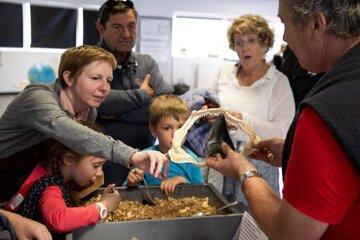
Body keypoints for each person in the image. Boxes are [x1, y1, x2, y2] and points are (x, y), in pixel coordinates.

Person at [206, 0, 360, 239]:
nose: (286, 36)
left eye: (284, 22)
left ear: (316, 24)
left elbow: (290, 234)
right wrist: (292, 152)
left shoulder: (325, 114)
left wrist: (245, 170)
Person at [0, 45, 168, 202]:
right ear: (69, 78)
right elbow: (67, 130)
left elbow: (119, 98)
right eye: (95, 78)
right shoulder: (38, 98)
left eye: (108, 80)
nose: (105, 88)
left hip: (30, 190)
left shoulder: (88, 111)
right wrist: (132, 155)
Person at [209, 14, 295, 205]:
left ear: (265, 43)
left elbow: (285, 131)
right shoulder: (224, 73)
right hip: (221, 159)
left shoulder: (278, 82)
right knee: (219, 217)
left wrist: (242, 121)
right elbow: (208, 105)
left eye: (251, 40)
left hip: (258, 162)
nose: (245, 47)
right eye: (239, 42)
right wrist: (212, 118)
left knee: (255, 224)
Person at [95, 0, 173, 185]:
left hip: (144, 165)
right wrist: (143, 96)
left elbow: (166, 107)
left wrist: (114, 113)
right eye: (117, 27)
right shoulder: (89, 62)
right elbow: (100, 104)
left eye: (131, 26)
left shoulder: (146, 64)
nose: (127, 34)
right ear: (101, 28)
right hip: (101, 166)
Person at [5, 122, 120, 238]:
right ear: (68, 159)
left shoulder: (50, 172)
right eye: (96, 165)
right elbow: (59, 220)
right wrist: (103, 206)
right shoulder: (50, 187)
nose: (100, 173)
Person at [126, 95, 204, 196]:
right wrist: (132, 181)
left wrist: (183, 181)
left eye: (180, 127)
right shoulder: (144, 157)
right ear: (153, 130)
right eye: (167, 128)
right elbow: (129, 191)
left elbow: (202, 193)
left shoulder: (192, 160)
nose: (175, 134)